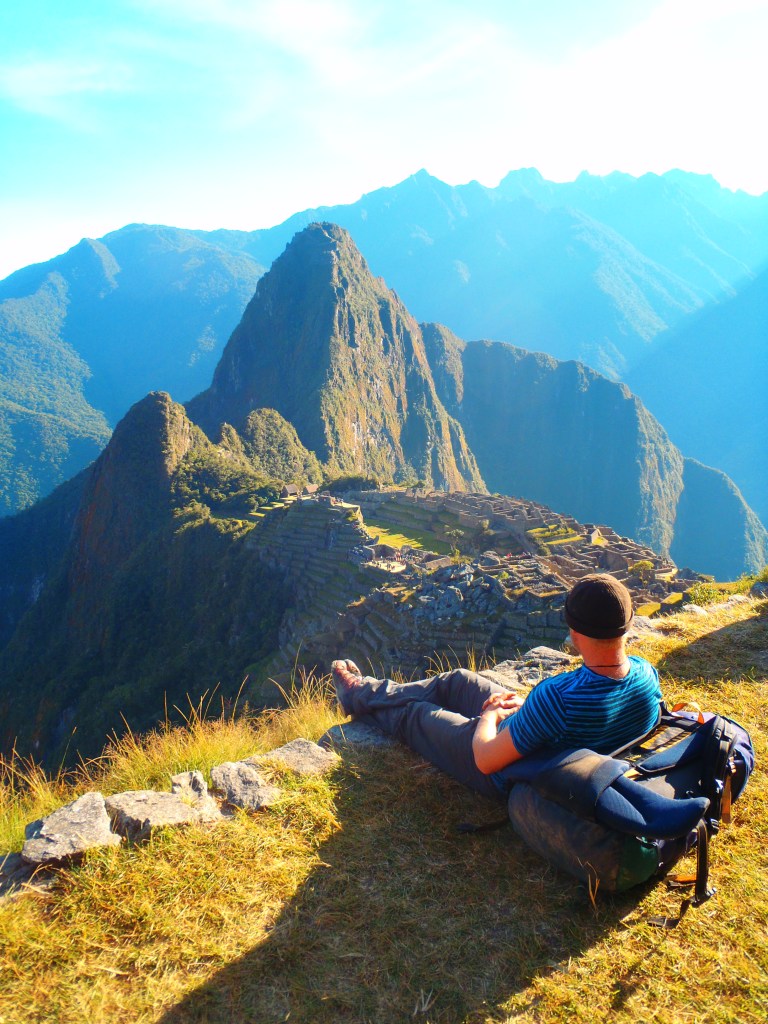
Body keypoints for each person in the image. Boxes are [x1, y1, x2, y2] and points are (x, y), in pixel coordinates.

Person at [332, 574, 662, 800]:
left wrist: (489, 717)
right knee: (457, 679)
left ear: (574, 633)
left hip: (508, 770)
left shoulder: (557, 697)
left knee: (417, 714)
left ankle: (358, 699)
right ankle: (363, 692)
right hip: (543, 739)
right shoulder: (647, 675)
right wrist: (530, 714)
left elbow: (487, 760)